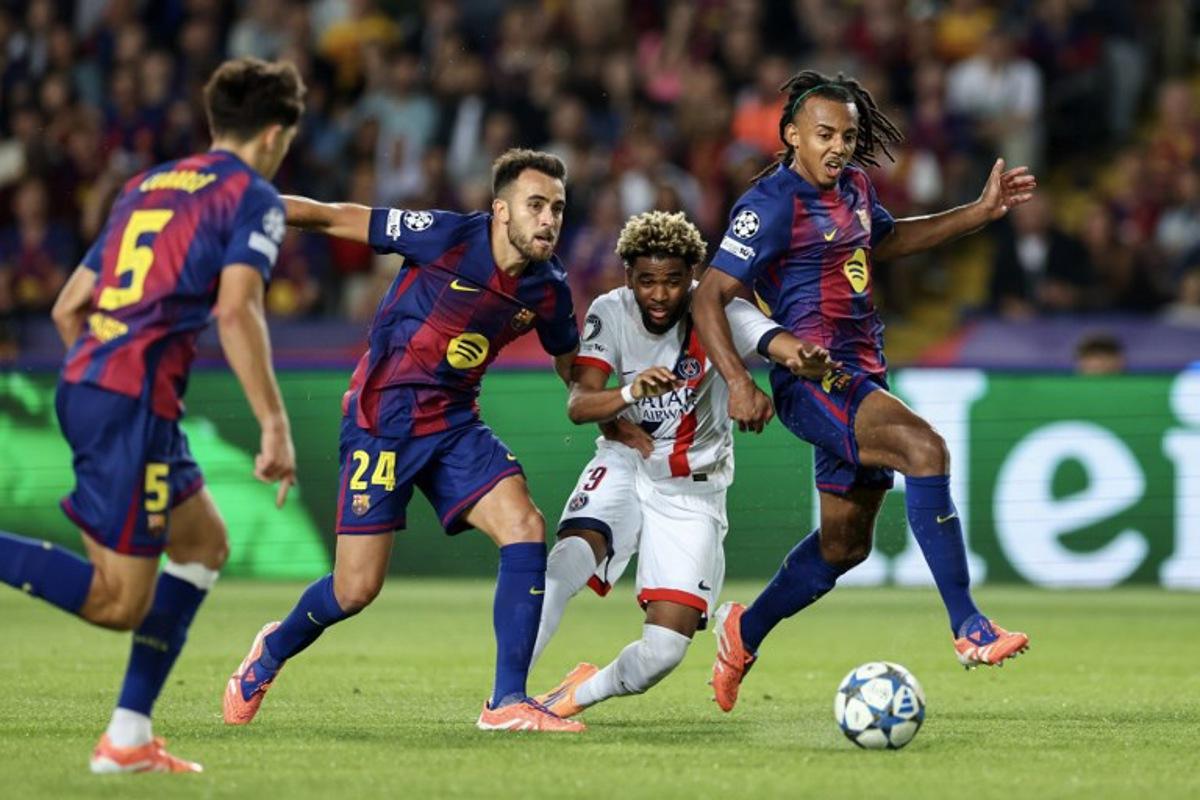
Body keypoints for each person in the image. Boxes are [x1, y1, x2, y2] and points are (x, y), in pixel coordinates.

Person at [692, 70, 1037, 713]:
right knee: (925, 450)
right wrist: (740, 382)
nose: (839, 147)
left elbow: (886, 239)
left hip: (864, 372)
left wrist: (980, 212)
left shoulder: (852, 185)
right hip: (813, 379)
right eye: (825, 134)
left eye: (848, 135)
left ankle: (744, 631)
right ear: (792, 134)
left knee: (845, 546)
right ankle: (969, 627)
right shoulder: (768, 205)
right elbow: (710, 296)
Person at [0, 57, 304, 772]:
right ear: (272, 135)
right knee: (117, 603)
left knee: (204, 546)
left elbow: (68, 306)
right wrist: (274, 424)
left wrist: (114, 379)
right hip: (129, 404)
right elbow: (236, 310)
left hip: (109, 391)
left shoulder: (146, 186)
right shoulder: (250, 196)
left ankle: (128, 738)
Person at [222, 149, 586, 734]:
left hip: (455, 424)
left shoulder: (549, 290)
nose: (549, 220)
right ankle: (271, 649)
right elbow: (335, 216)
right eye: (536, 205)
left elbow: (572, 364)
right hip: (381, 423)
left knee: (525, 525)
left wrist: (608, 402)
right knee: (355, 589)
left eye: (558, 209)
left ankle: (507, 702)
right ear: (500, 211)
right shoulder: (444, 236)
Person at [527, 211, 832, 718]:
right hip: (627, 462)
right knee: (565, 564)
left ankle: (572, 695)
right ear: (628, 276)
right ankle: (508, 696)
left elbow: (773, 338)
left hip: (693, 491)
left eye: (673, 281)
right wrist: (629, 392)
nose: (660, 294)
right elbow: (580, 404)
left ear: (694, 273)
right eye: (646, 281)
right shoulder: (611, 309)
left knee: (662, 655)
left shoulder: (719, 311)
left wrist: (803, 357)